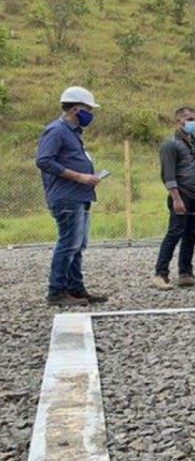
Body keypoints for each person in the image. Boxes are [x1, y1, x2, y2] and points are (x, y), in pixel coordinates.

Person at [36, 86, 107, 307]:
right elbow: (44, 160)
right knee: (68, 244)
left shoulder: (72, 133)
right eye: (88, 109)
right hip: (67, 195)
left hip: (79, 194)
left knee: (78, 245)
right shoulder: (57, 130)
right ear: (76, 109)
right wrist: (79, 176)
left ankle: (75, 288)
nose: (90, 114)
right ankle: (56, 291)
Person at [153, 106, 195, 290]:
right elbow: (168, 174)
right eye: (189, 119)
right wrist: (176, 198)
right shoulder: (170, 144)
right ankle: (160, 274)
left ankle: (185, 273)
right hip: (182, 194)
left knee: (191, 235)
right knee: (175, 232)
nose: (193, 122)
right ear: (179, 121)